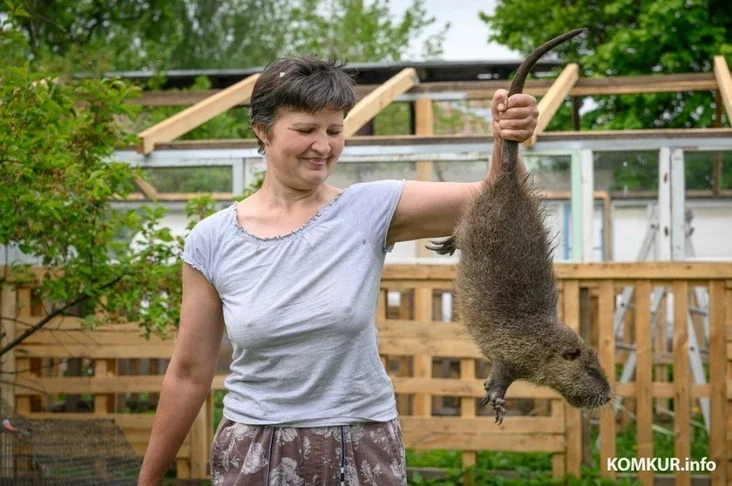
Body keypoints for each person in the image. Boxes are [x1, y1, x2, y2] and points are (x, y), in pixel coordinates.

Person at [137, 56, 538, 486]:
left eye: (334, 130)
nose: (323, 146)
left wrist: (506, 139)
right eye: (306, 130)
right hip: (255, 449)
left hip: (360, 441)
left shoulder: (369, 209)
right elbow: (188, 374)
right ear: (262, 130)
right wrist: (148, 480)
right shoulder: (212, 239)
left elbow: (499, 202)